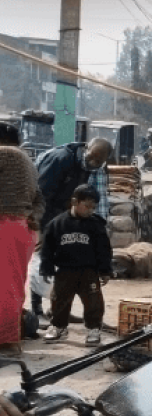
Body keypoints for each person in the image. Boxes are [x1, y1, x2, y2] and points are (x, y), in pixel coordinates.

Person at [33, 137, 112, 322]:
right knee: (41, 260)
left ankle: (59, 310)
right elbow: (41, 195)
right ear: (86, 148)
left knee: (65, 263)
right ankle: (36, 310)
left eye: (98, 161)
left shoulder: (93, 167)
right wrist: (42, 228)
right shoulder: (61, 159)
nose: (93, 162)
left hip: (63, 212)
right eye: (92, 157)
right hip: (45, 211)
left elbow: (91, 198)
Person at [40, 185, 112, 346]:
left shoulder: (96, 225)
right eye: (87, 206)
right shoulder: (57, 224)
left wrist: (105, 270)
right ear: (74, 201)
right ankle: (59, 327)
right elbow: (47, 249)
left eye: (93, 207)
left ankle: (93, 329)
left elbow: (104, 250)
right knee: (59, 300)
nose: (90, 210)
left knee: (93, 302)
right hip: (64, 271)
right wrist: (46, 268)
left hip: (89, 272)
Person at [0, 121, 43, 356]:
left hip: (5, 225)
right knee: (12, 286)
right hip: (21, 227)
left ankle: (7, 343)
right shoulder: (28, 161)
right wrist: (32, 218)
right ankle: (9, 338)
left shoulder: (5, 154)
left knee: (5, 288)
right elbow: (40, 199)